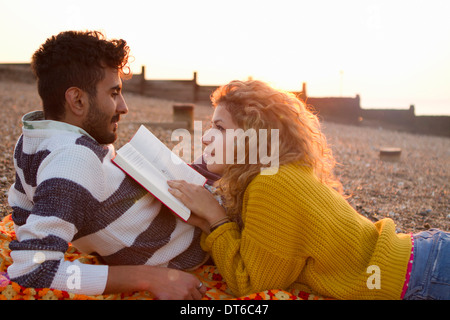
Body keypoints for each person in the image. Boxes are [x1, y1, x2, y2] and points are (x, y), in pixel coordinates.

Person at [168, 80, 450, 300]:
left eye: (219, 127)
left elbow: (251, 283)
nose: (205, 138)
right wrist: (209, 220)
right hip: (421, 262)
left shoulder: (271, 184)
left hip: (422, 277)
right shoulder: (277, 172)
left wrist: (215, 220)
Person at [7, 30, 208, 300]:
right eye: (114, 93)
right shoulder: (75, 160)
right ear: (77, 100)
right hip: (201, 247)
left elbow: (23, 216)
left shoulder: (31, 139)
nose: (123, 107)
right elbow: (33, 271)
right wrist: (151, 279)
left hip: (187, 213)